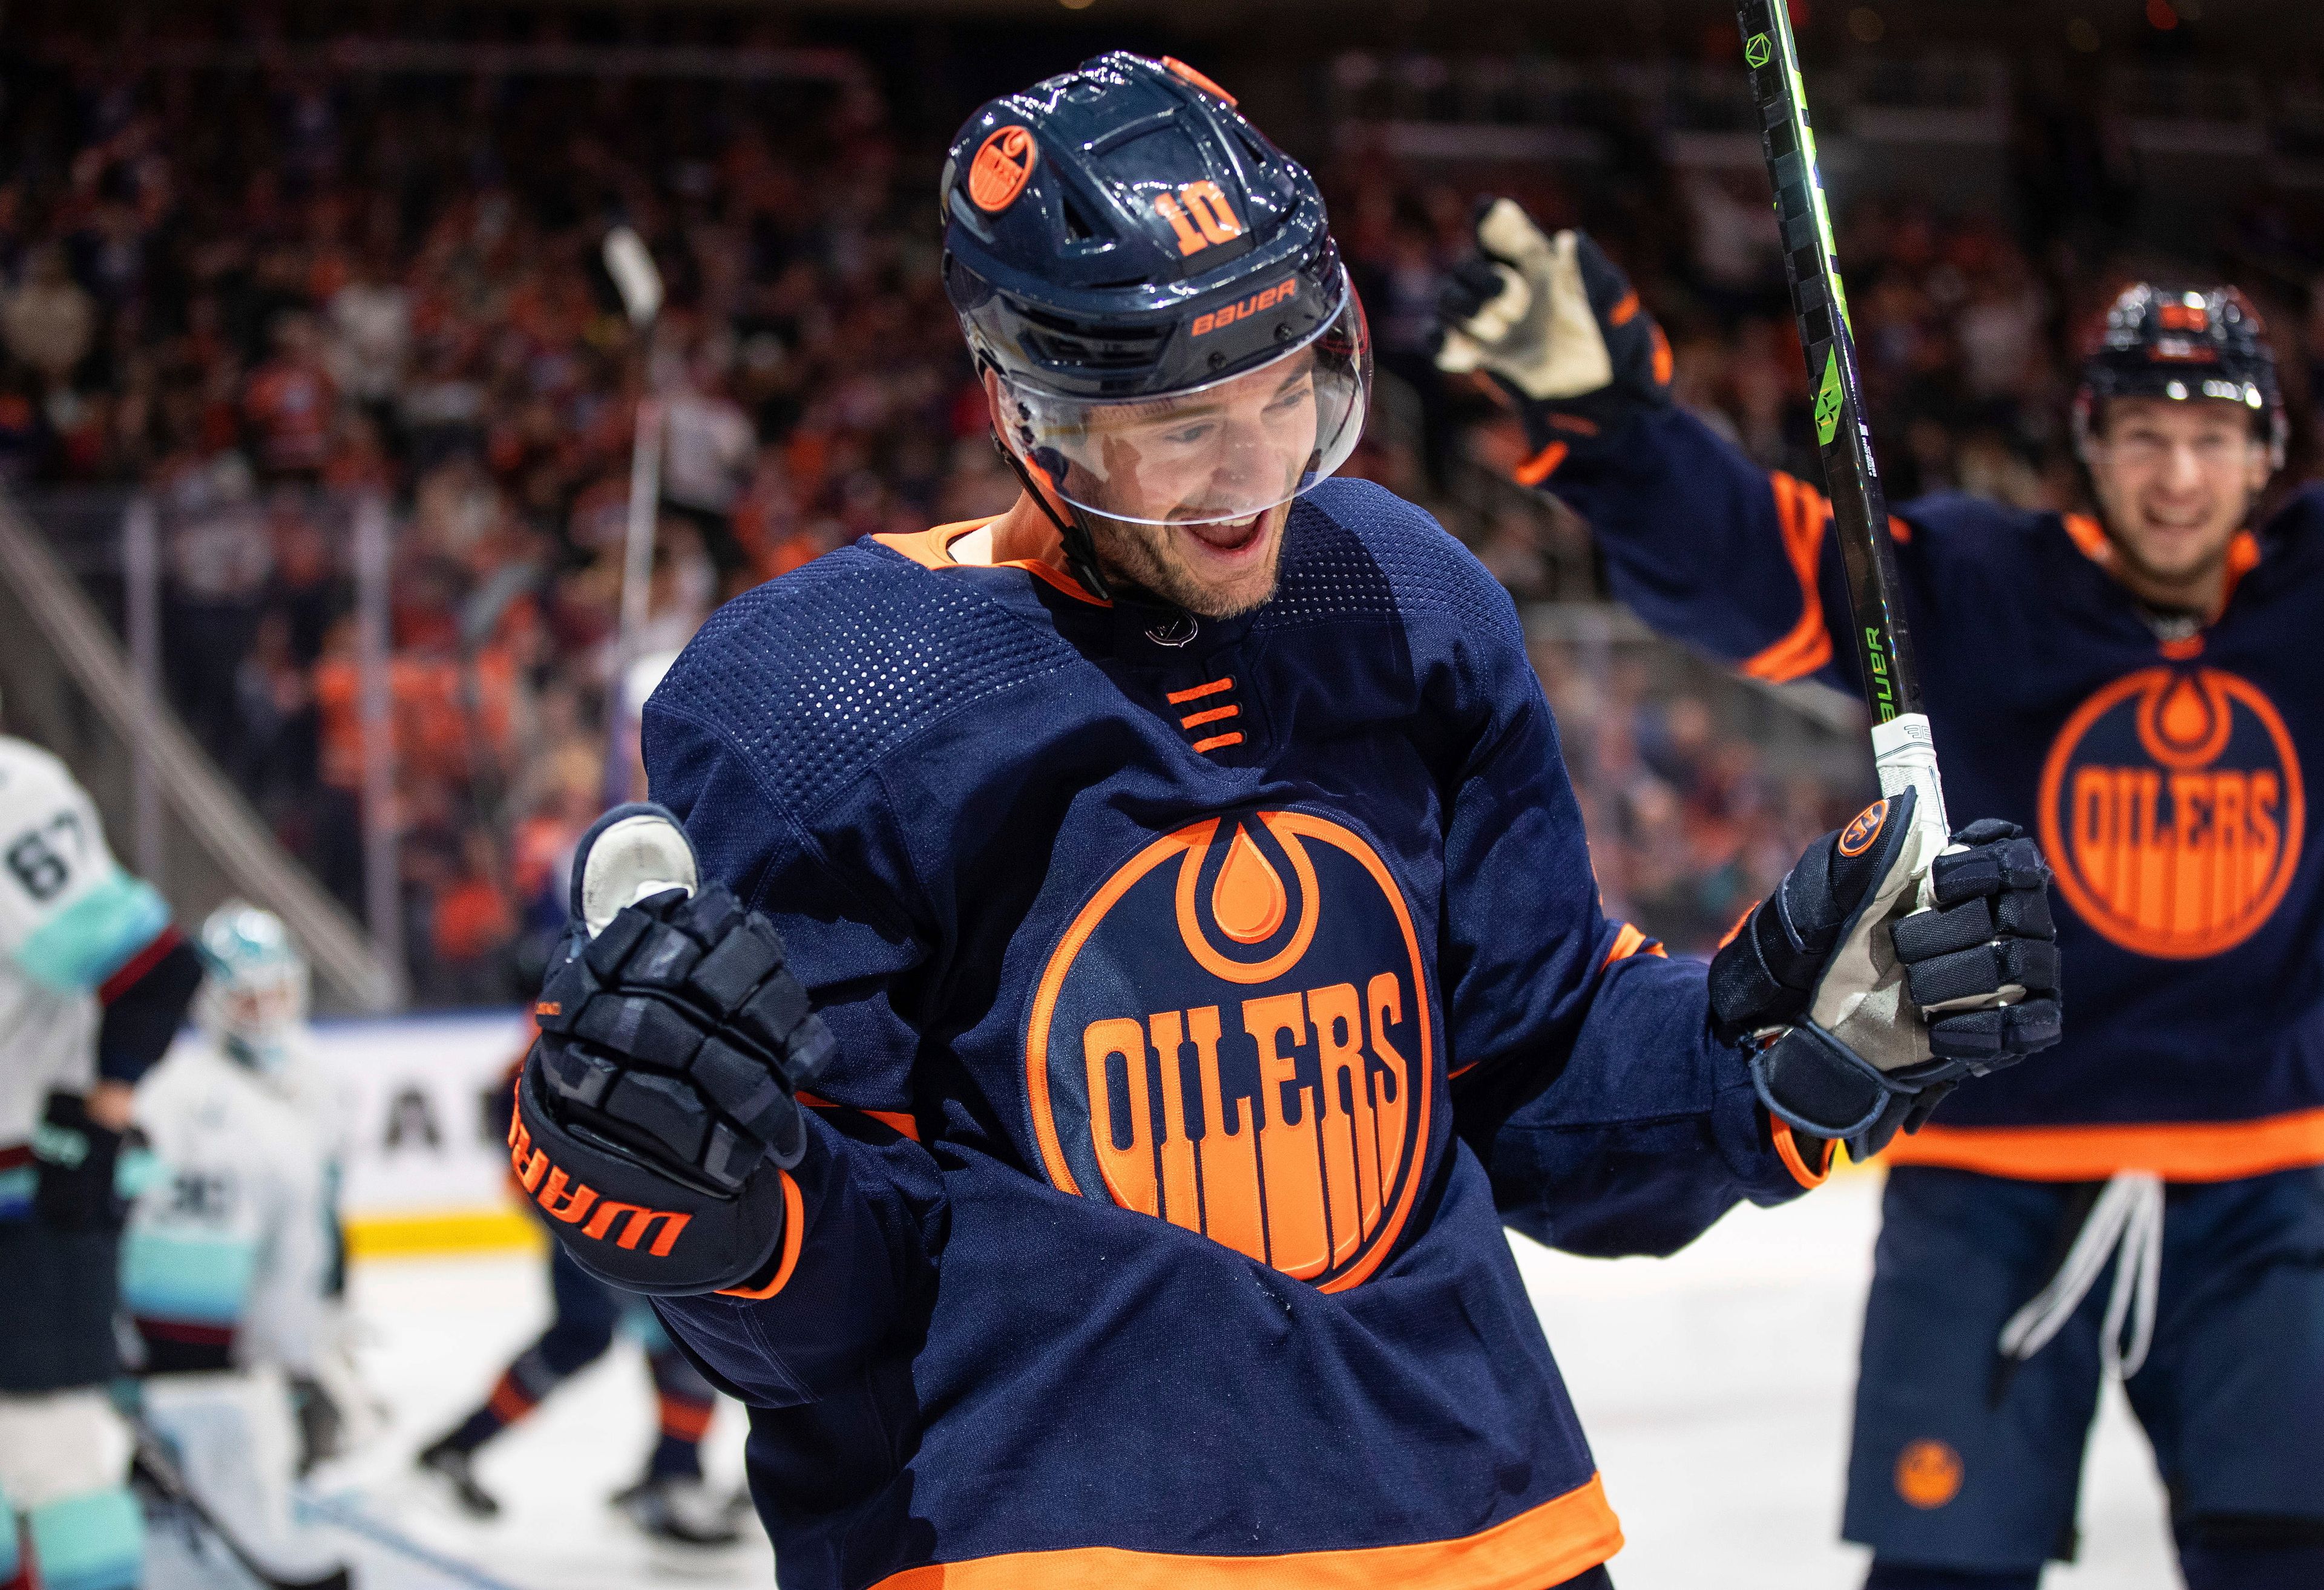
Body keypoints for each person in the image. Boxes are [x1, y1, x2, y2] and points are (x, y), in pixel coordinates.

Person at [505, 54, 2062, 1590]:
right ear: (1020, 406)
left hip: (1483, 1532)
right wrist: (698, 1194)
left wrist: (1779, 1041)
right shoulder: (820, 701)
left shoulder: (1400, 593)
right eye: (1183, 423)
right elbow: (834, 1299)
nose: (1256, 474)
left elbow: (1531, 1069)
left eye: (1287, 393)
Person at [1435, 199, 2324, 1589]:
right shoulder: (1981, 583)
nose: (2174, 477)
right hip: (1989, 1171)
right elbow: (1761, 560)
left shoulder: (2307, 601)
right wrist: (1623, 431)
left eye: (2211, 439)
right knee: (1939, 1566)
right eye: (2143, 436)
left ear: (2264, 457)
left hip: (2266, 1173)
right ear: (2086, 445)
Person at [0, 729, 204, 1590]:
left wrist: (100, 1120)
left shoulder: (12, 794)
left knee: (57, 1458)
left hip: (23, 1198)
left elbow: (155, 973)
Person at [123, 903, 354, 1584]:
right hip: (213, 1366)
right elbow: (175, 1262)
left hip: (275, 1340)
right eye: (245, 998)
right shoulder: (182, 1099)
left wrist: (317, 1343)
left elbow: (322, 1222)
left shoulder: (315, 1076)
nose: (264, 1011)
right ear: (214, 1004)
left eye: (275, 992)